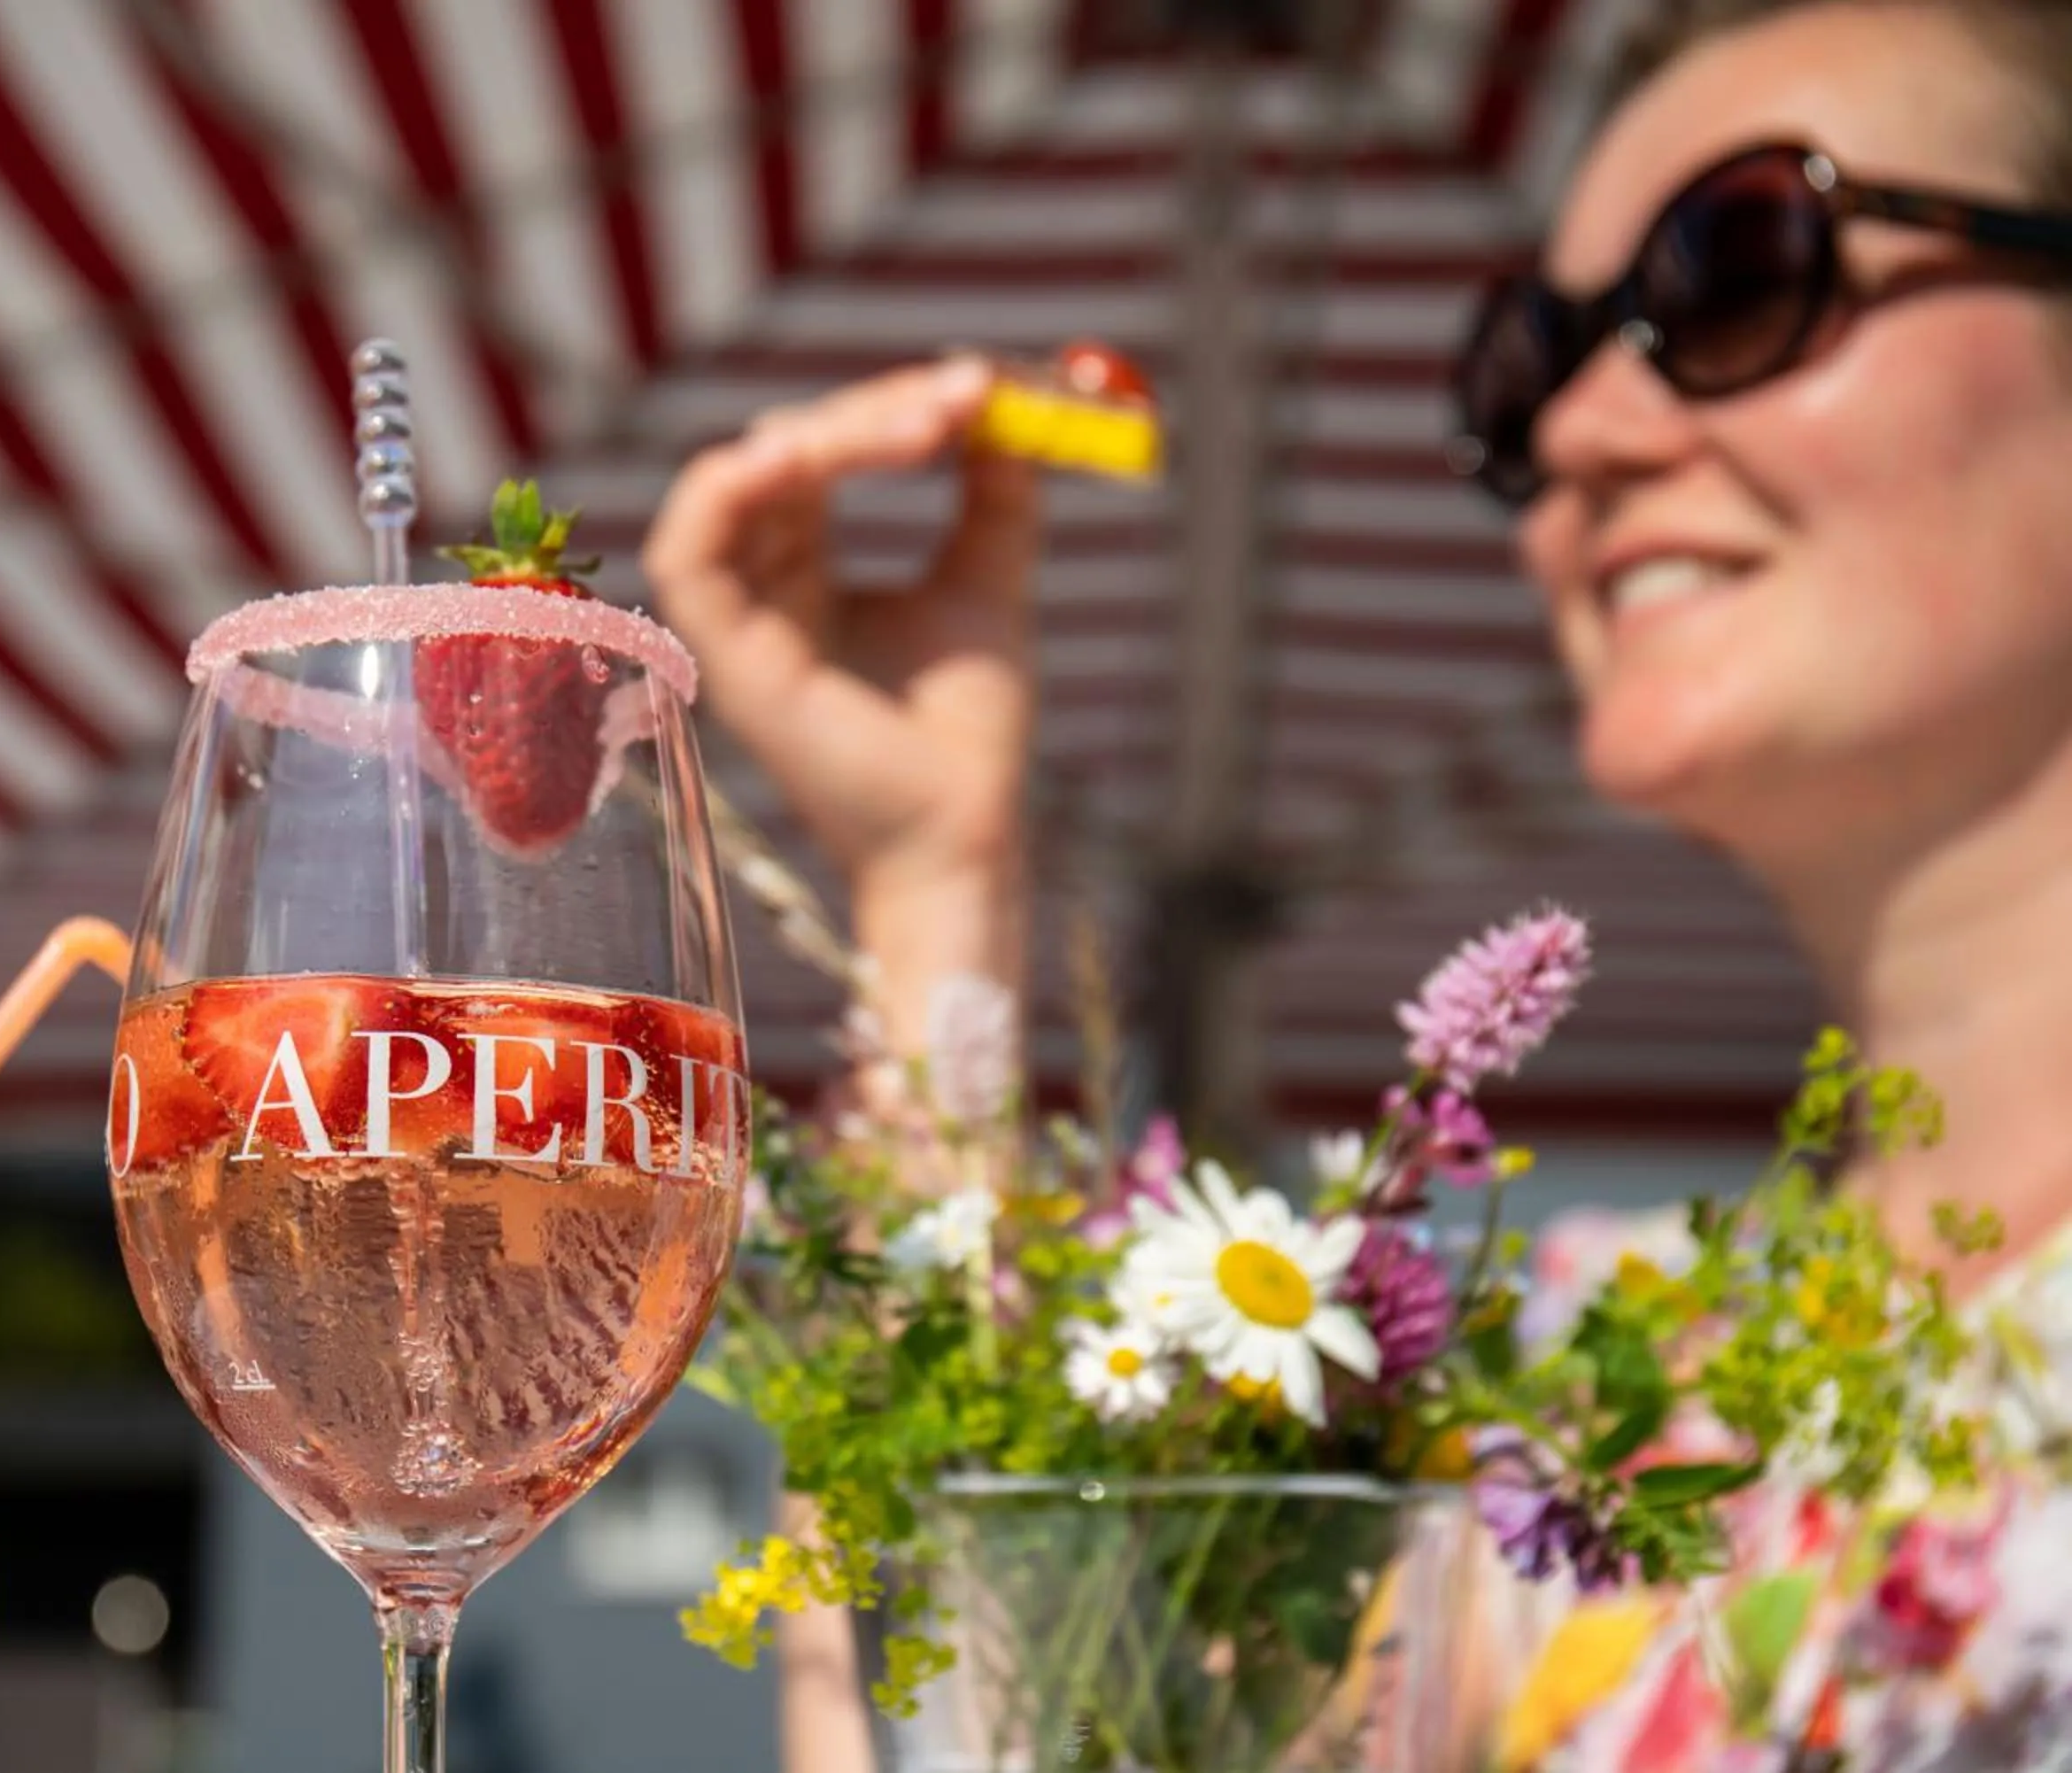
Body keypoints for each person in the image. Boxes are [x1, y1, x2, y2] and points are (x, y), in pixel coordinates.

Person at [644, 1, 2072, 1765]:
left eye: (1741, 263)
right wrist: (942, 882)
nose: (1586, 434)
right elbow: (1015, 1739)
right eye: (1529, 359)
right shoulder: (1582, 1390)